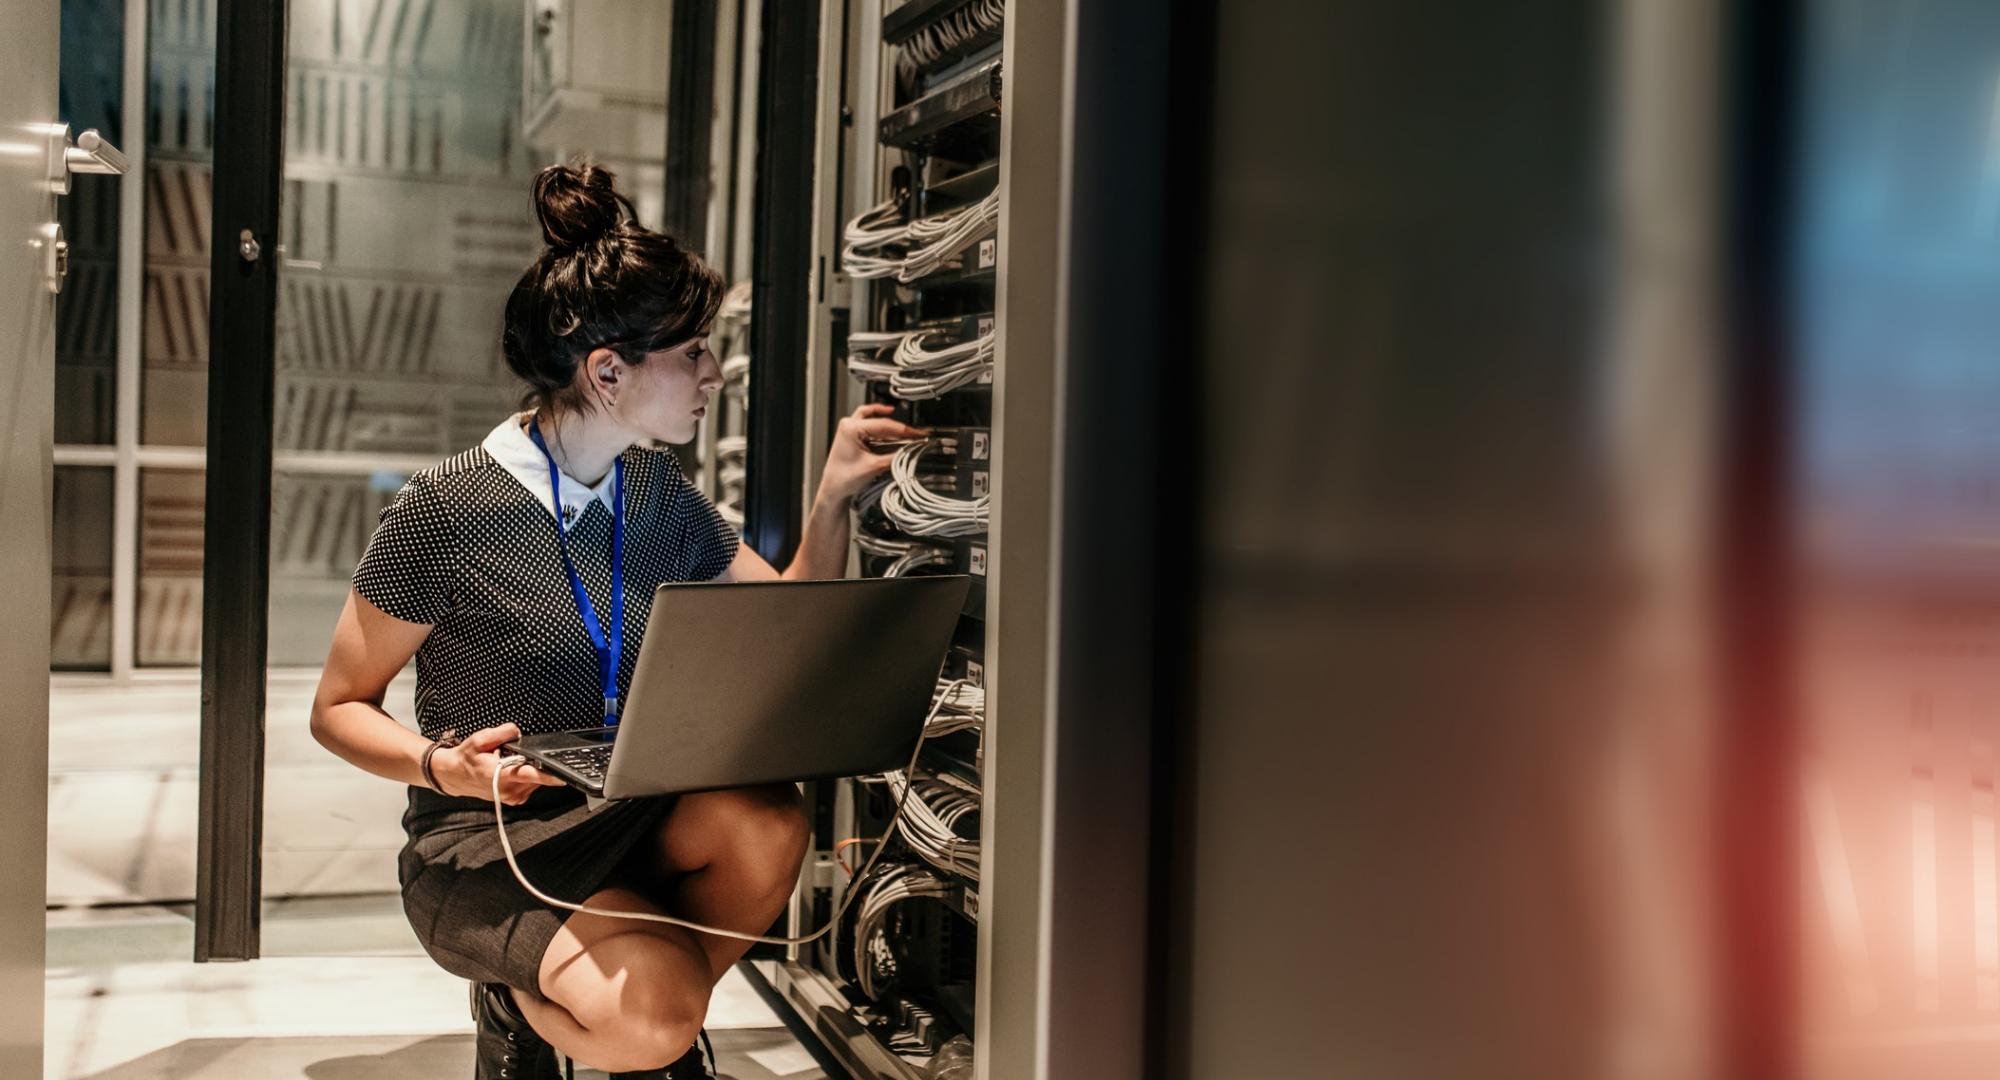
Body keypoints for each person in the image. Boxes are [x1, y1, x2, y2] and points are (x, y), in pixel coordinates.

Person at [309, 160, 922, 1079]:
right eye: (692, 352)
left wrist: (834, 495)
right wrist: (447, 768)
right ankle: (529, 997)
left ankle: (630, 1005)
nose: (714, 371)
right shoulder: (447, 509)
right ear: (607, 371)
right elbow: (338, 709)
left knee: (768, 825)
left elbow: (786, 615)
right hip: (490, 840)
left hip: (630, 810)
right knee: (655, 1020)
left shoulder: (652, 492)